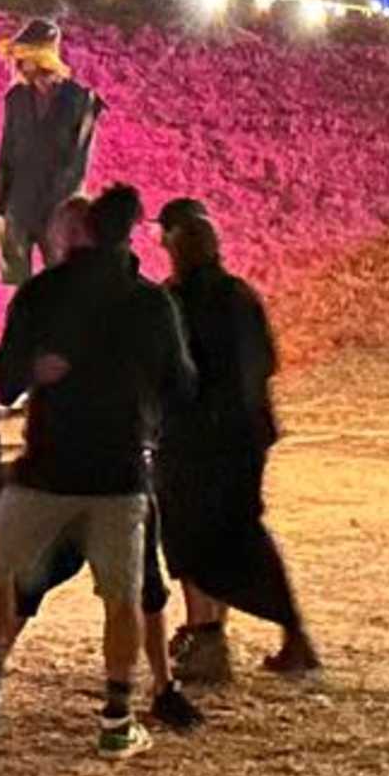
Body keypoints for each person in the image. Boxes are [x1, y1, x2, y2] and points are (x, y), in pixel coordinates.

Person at [0, 183, 198, 755]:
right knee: (123, 596)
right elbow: (181, 387)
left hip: (46, 467)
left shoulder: (43, 293)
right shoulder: (152, 303)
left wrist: (36, 372)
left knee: (1, 573)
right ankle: (117, 717)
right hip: (119, 471)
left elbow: (5, 377)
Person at [152, 199, 321, 686]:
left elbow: (174, 372)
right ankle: (244, 633)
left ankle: (207, 635)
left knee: (189, 536)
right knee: (237, 533)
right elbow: (265, 362)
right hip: (243, 436)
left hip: (194, 440)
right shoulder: (238, 294)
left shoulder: (177, 299)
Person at [0, 18, 101, 288]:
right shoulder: (15, 98)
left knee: (64, 282)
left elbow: (78, 161)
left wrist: (66, 210)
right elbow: (7, 152)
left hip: (57, 207)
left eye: (23, 56)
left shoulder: (79, 100)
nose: (17, 65)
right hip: (18, 204)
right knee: (16, 284)